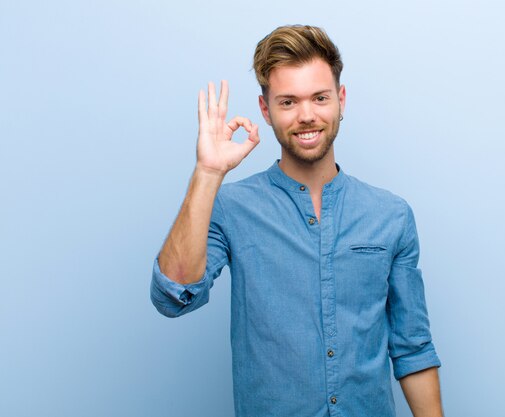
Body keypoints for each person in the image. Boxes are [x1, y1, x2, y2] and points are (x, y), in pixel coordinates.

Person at [151, 24, 443, 417]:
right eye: (288, 102)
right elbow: (173, 298)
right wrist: (207, 173)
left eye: (320, 98)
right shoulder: (230, 207)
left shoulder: (390, 215)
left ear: (340, 100)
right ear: (265, 110)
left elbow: (413, 347)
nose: (307, 116)